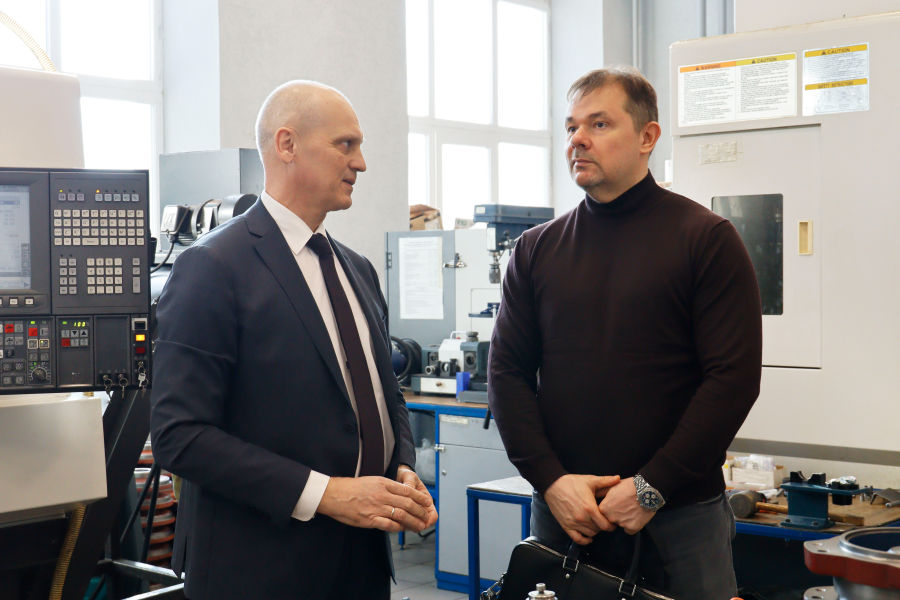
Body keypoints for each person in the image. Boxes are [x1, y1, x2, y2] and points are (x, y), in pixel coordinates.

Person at [150, 80, 437, 600]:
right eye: (345, 145)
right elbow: (180, 436)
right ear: (287, 144)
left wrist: (401, 467)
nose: (361, 163)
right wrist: (328, 495)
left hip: (362, 564)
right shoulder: (213, 267)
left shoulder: (357, 270)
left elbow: (384, 393)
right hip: (262, 570)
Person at [488, 67, 762, 599]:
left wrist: (652, 487)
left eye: (599, 124)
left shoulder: (706, 240)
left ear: (647, 137)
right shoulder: (536, 250)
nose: (578, 140)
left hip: (679, 519)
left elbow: (732, 380)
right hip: (567, 516)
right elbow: (507, 373)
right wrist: (549, 480)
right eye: (570, 127)